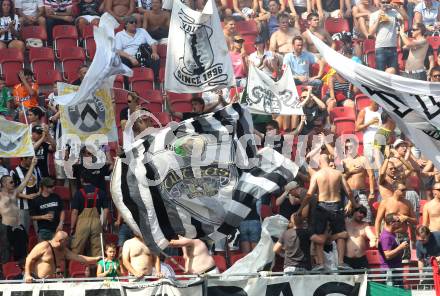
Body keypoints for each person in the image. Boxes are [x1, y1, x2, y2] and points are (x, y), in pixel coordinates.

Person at [296, 154, 359, 271]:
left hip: (322, 206)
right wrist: (355, 205)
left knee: (319, 234)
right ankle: (340, 262)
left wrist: (300, 209)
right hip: (336, 205)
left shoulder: (317, 175)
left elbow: (309, 194)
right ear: (329, 160)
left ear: (320, 163)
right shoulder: (338, 173)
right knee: (340, 234)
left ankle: (320, 263)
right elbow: (349, 191)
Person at [0, 157, 37, 264]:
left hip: (15, 224)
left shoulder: (14, 193)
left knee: (22, 239)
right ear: (4, 185)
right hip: (3, 226)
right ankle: (4, 270)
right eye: (11, 182)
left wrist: (32, 166)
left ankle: (21, 267)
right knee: (5, 248)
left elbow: (25, 181)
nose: (13, 183)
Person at [24, 230, 100, 282]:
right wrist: (27, 275)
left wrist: (96, 259)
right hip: (34, 280)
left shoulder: (64, 250)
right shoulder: (44, 246)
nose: (68, 243)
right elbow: (29, 258)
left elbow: (78, 257)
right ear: (60, 241)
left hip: (49, 282)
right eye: (66, 241)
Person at [70, 172, 109, 256]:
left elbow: (74, 212)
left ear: (82, 180)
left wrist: (72, 227)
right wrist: (104, 224)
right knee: (98, 249)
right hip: (96, 222)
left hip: (82, 223)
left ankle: (76, 267)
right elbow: (106, 210)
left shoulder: (79, 193)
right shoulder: (101, 192)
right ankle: (98, 268)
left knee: (77, 248)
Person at [375, 183, 416, 260]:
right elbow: (378, 221)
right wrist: (377, 238)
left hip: (403, 236)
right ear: (395, 190)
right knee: (388, 259)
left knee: (405, 261)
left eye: (405, 189)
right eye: (402, 190)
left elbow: (415, 222)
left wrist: (407, 218)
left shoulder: (408, 203)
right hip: (389, 236)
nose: (405, 192)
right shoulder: (385, 202)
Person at [115, 15, 160, 84]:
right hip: (129, 58)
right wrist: (131, 58)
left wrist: (154, 52)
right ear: (126, 24)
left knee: (155, 58)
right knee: (122, 60)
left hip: (143, 56)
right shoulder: (119, 35)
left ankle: (154, 82)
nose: (134, 24)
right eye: (131, 22)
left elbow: (152, 43)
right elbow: (118, 50)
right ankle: (126, 84)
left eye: (135, 22)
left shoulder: (142, 31)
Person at [342, 139, 375, 223]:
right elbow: (340, 179)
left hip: (360, 192)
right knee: (347, 219)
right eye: (347, 147)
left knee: (366, 217)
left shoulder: (363, 159)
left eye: (351, 147)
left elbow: (371, 175)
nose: (349, 149)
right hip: (347, 193)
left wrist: (372, 192)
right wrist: (350, 172)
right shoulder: (343, 161)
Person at [368, 0, 407, 71]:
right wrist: (378, 20)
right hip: (380, 47)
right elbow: (370, 33)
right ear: (380, 3)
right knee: (380, 73)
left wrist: (397, 8)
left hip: (392, 47)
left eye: (387, 2)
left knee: (393, 73)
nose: (385, 4)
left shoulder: (394, 12)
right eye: (383, 2)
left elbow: (406, 18)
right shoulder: (374, 15)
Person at [10, 156, 41, 234]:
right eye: (30, 159)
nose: (33, 161)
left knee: (40, 232)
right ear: (23, 159)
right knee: (23, 233)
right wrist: (26, 196)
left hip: (36, 205)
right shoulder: (14, 171)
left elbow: (41, 183)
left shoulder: (36, 168)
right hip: (22, 206)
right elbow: (11, 191)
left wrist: (38, 193)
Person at [29, 177, 64, 241]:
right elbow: (31, 216)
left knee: (58, 250)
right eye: (51, 186)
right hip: (44, 231)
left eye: (54, 186)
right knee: (44, 250)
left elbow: (62, 210)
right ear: (44, 187)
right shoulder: (36, 200)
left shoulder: (56, 197)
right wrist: (43, 217)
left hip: (57, 229)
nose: (54, 188)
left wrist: (61, 223)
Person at [378, 213, 407, 285]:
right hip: (389, 271)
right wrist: (400, 247)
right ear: (392, 223)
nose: (400, 222)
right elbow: (387, 255)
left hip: (394, 269)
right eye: (398, 221)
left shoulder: (392, 233)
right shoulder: (386, 237)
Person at [344, 206, 376, 270]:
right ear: (354, 211)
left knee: (365, 279)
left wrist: (373, 240)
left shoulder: (365, 225)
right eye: (360, 212)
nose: (362, 215)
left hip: (361, 259)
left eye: (364, 214)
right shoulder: (345, 223)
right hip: (347, 259)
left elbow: (371, 234)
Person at [355, 100, 382, 165]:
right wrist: (369, 123)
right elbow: (357, 128)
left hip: (380, 141)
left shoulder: (383, 111)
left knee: (380, 165)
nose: (377, 103)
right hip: (368, 141)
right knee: (369, 164)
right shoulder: (364, 111)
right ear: (371, 100)